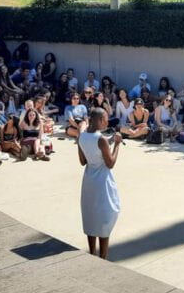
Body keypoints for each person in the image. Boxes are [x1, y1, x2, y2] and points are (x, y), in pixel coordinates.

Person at [78, 107, 122, 260]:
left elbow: (83, 161)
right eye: (106, 119)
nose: (108, 121)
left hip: (89, 180)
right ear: (101, 120)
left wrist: (107, 143)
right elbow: (110, 163)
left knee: (91, 216)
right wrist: (116, 144)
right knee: (105, 218)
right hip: (102, 181)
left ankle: (92, 253)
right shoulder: (101, 140)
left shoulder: (82, 136)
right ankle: (103, 257)